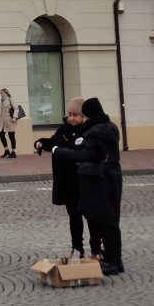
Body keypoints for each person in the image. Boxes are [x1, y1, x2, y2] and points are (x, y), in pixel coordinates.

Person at [50, 97, 124, 275]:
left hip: (101, 179)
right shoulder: (110, 127)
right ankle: (115, 259)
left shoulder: (95, 132)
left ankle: (112, 261)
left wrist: (57, 151)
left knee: (103, 221)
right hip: (112, 175)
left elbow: (84, 155)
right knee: (112, 221)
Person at [34, 97, 88, 257]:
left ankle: (97, 250)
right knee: (74, 216)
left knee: (91, 217)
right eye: (70, 115)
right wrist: (40, 143)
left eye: (75, 115)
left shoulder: (87, 131)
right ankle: (77, 248)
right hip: (67, 181)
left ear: (83, 116)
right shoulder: (63, 130)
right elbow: (53, 143)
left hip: (83, 180)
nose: (71, 118)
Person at [0, 88, 18, 158]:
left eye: (2, 93)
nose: (1, 94)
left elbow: (16, 108)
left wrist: (14, 117)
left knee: (11, 135)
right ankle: (6, 150)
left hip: (10, 120)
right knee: (1, 134)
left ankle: (13, 152)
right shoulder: (1, 101)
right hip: (2, 120)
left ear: (6, 93)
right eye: (0, 93)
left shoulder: (10, 99)